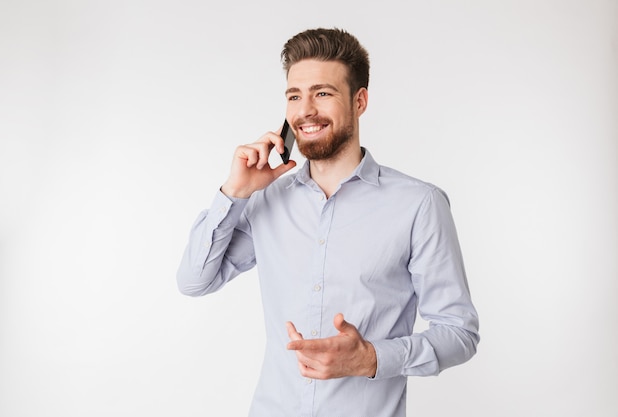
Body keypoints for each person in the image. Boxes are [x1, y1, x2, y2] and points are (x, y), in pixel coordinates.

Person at [177, 27, 479, 417]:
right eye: (294, 96)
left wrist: (372, 359)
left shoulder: (419, 204)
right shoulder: (266, 200)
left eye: (322, 93)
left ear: (360, 101)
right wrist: (233, 193)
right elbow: (194, 280)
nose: (305, 110)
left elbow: (460, 332)